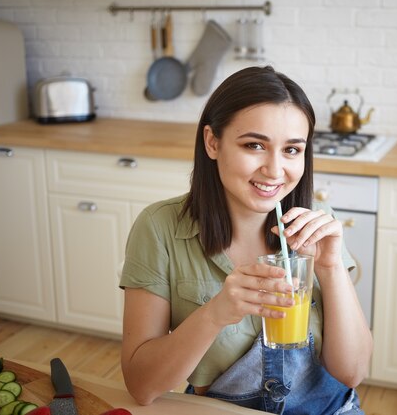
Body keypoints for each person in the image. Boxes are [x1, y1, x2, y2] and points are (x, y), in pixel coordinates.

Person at [120, 65, 373, 414]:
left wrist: (330, 269)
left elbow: (352, 373)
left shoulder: (316, 221)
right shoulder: (160, 227)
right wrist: (215, 314)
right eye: (254, 145)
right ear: (212, 142)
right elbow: (141, 386)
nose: (274, 170)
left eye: (291, 150)